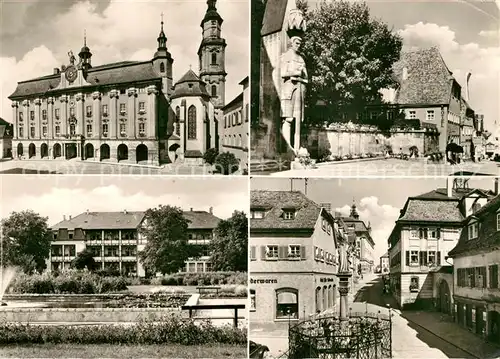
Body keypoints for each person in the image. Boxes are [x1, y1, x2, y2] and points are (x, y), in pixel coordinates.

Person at [280, 36, 308, 155]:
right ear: (291, 43)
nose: (299, 45)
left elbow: (306, 77)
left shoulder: (301, 59)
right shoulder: (286, 56)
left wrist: (302, 74)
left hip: (300, 89)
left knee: (298, 119)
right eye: (297, 43)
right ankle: (288, 147)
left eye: (300, 43)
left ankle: (297, 147)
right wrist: (296, 72)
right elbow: (283, 73)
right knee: (288, 118)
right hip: (289, 90)